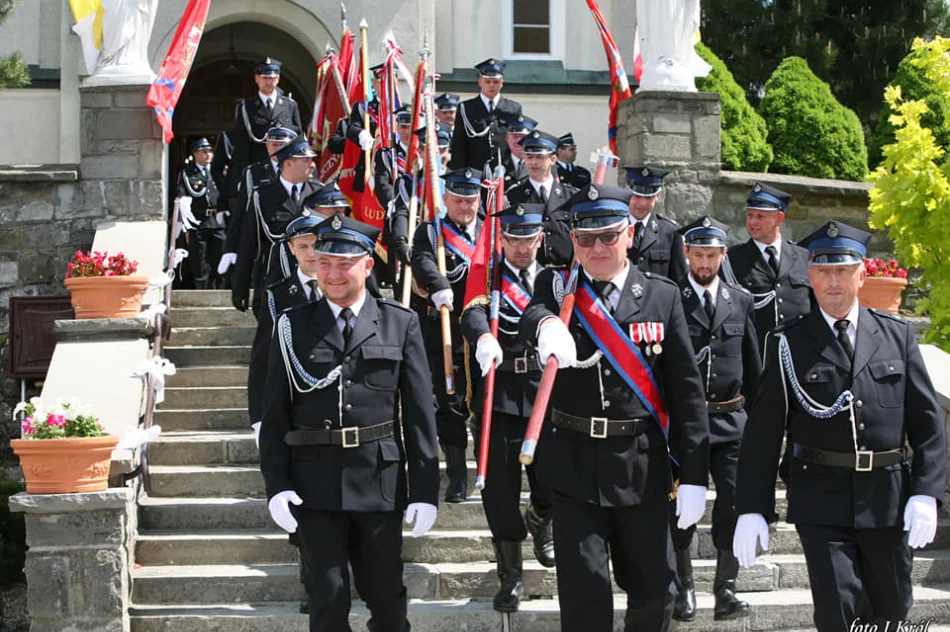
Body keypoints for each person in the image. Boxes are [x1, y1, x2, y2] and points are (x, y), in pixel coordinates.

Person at [733, 220, 946, 632]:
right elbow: (763, 433)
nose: (834, 281)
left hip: (887, 496)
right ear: (810, 275)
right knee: (837, 610)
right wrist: (752, 508)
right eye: (825, 270)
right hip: (821, 497)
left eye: (843, 270)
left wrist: (926, 492)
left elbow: (927, 421)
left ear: (862, 275)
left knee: (893, 607)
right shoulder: (787, 342)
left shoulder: (896, 335)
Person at [519, 183, 709, 631]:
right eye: (586, 239)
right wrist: (545, 323)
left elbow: (686, 392)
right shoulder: (558, 286)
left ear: (628, 234)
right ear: (575, 241)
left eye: (609, 236)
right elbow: (531, 311)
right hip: (573, 466)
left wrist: (696, 475)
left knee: (653, 588)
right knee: (583, 595)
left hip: (641, 468)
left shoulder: (661, 296)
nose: (598, 247)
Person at [259, 213, 440, 632]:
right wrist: (277, 485)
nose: (333, 273)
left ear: (367, 264)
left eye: (344, 264)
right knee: (327, 599)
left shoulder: (399, 321)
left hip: (379, 482)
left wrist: (425, 490)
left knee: (387, 597)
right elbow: (274, 414)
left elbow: (418, 415)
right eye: (324, 262)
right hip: (314, 484)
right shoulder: (292, 326)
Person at [460, 203, 555, 613]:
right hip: (498, 396)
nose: (521, 248)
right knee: (499, 492)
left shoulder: (556, 278)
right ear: (502, 240)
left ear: (540, 239)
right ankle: (511, 575)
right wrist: (482, 337)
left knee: (551, 481)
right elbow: (472, 311)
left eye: (528, 239)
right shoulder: (487, 275)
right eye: (513, 239)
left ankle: (541, 517)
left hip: (545, 395)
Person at [669, 216, 760, 623]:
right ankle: (683, 586)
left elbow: (754, 368)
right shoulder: (670, 298)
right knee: (681, 509)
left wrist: (758, 423)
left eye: (712, 254)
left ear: (724, 255)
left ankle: (725, 588)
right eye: (698, 254)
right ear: (687, 253)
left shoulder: (740, 300)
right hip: (687, 424)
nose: (704, 262)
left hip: (731, 421)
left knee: (735, 502)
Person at [233, 134, 320, 429]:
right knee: (266, 352)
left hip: (314, 286)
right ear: (288, 163)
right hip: (272, 286)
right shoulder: (263, 194)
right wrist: (239, 285)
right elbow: (250, 241)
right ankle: (260, 416)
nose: (312, 164)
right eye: (306, 160)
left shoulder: (320, 193)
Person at [411, 168, 484, 503]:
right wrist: (438, 284)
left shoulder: (490, 230)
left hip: (485, 335)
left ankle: (487, 469)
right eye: (458, 199)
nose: (464, 206)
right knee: (450, 404)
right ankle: (457, 474)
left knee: (485, 403)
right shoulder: (431, 230)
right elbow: (422, 260)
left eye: (470, 199)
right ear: (446, 199)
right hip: (445, 332)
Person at [725, 182, 814, 351]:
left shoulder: (804, 257)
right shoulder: (732, 260)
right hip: (756, 354)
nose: (752, 222)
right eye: (750, 215)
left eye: (760, 216)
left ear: (779, 218)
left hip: (799, 352)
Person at [228, 58, 303, 214]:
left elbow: (298, 141)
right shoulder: (246, 107)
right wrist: (242, 177)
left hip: (286, 171)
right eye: (265, 77)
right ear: (257, 79)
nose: (269, 81)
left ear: (278, 78)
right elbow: (241, 146)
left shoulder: (290, 105)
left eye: (272, 78)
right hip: (259, 171)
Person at [219, 126, 298, 276]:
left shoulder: (303, 169)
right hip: (264, 245)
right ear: (267, 146)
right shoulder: (253, 173)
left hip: (296, 243)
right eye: (274, 144)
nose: (278, 149)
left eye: (283, 145)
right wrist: (231, 247)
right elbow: (241, 213)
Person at [506, 130, 575, 269]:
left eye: (540, 157)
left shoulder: (571, 196)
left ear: (553, 159)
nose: (534, 162)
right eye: (529, 157)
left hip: (566, 273)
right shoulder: (513, 196)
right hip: (529, 274)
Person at [449, 58, 523, 172]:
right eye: (488, 82)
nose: (492, 86)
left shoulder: (513, 109)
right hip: (475, 173)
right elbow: (459, 147)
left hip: (505, 173)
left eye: (496, 82)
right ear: (480, 82)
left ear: (502, 83)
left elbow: (518, 143)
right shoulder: (466, 108)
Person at [623, 165, 687, 285]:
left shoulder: (670, 231)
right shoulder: (616, 227)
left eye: (649, 197)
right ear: (626, 191)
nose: (642, 203)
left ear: (658, 195)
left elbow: (680, 279)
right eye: (637, 196)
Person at [176, 138, 224, 289]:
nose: (208, 154)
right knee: (200, 260)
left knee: (220, 257)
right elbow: (183, 199)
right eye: (204, 152)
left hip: (218, 221)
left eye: (210, 151)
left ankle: (219, 290)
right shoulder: (187, 174)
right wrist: (184, 224)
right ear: (195, 154)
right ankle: (202, 291)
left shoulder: (220, 171)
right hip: (198, 221)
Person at [501, 115, 536, 190]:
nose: (518, 141)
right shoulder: (496, 165)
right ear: (507, 138)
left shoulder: (545, 165)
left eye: (523, 137)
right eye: (515, 136)